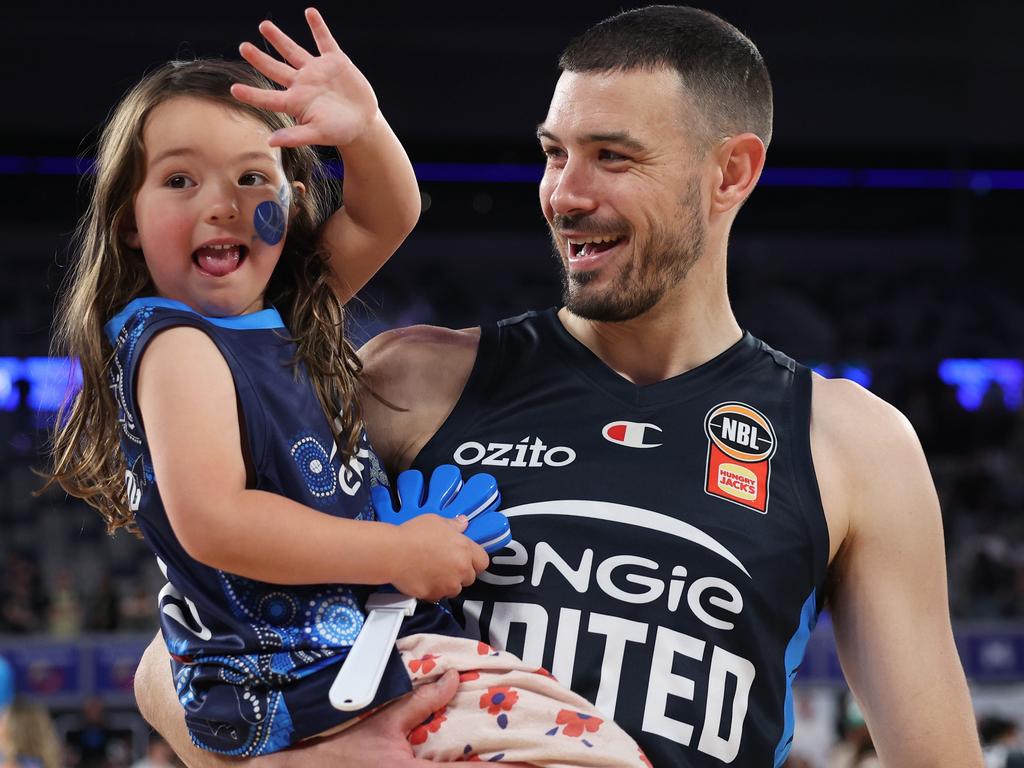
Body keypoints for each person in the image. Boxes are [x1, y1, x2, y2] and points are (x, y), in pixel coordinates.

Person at [133, 5, 985, 767]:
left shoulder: (850, 444)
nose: (564, 195)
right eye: (554, 154)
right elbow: (176, 654)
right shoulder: (410, 381)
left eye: (612, 158)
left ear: (731, 173)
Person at [47, 7, 644, 767]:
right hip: (290, 674)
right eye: (179, 179)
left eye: (252, 176)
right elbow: (218, 523)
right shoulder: (178, 344)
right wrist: (392, 551)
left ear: (291, 203)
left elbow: (388, 212)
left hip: (334, 662)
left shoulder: (283, 313)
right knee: (586, 747)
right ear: (128, 221)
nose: (221, 202)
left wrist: (361, 127)